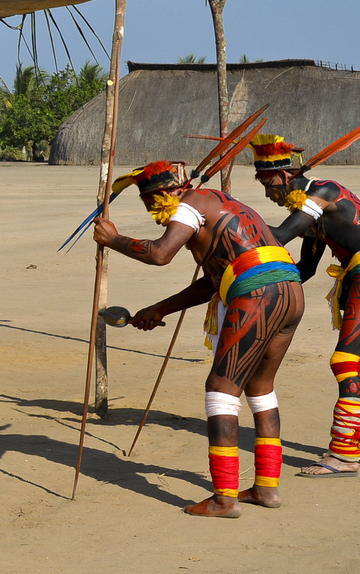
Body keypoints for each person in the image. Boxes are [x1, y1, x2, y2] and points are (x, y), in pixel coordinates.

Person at [93, 160, 304, 518]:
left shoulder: (191, 203)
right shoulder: (222, 204)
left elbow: (160, 253)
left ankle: (224, 498)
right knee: (260, 387)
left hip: (257, 294)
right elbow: (214, 281)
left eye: (150, 205)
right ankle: (266, 488)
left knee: (221, 390)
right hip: (290, 290)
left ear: (164, 195)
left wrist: (114, 240)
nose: (155, 216)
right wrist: (161, 308)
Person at [248, 134, 360, 477]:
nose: (268, 194)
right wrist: (265, 285)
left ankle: (344, 454)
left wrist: (236, 220)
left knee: (345, 359)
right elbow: (305, 268)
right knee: (353, 358)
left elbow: (278, 236)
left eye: (268, 185)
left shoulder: (320, 193)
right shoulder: (308, 209)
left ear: (283, 177)